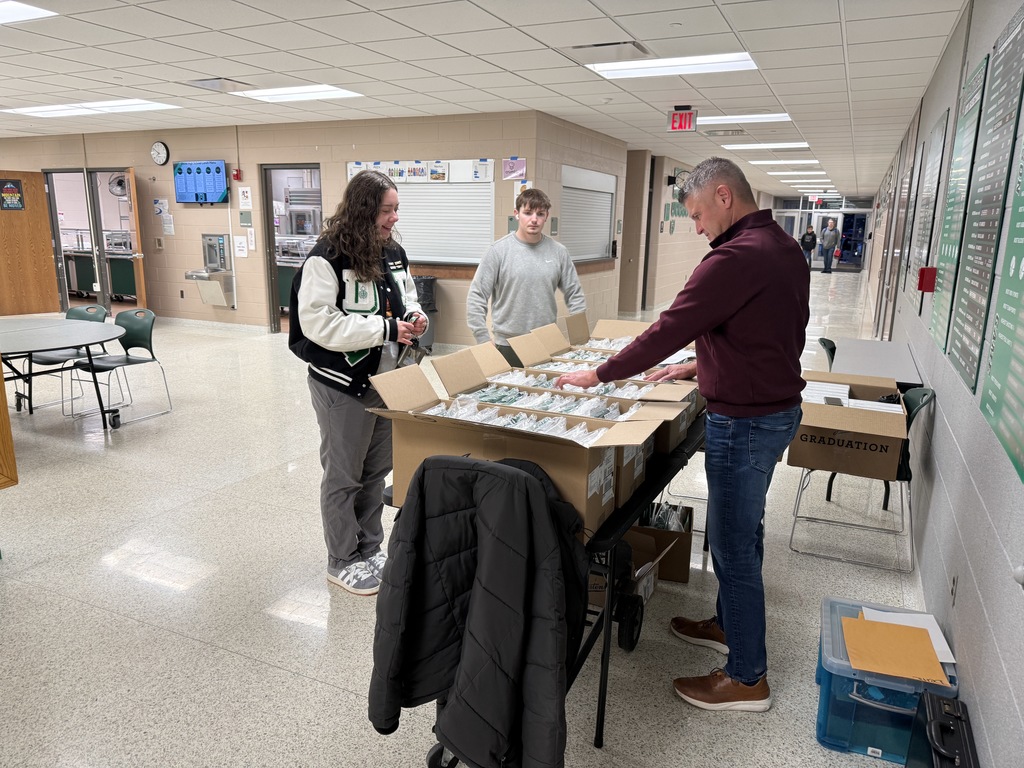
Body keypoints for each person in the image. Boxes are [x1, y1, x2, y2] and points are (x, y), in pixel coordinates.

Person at [554, 157, 809, 712]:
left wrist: (598, 374)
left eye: (696, 215)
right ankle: (729, 624)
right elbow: (768, 332)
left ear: (724, 196)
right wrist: (697, 366)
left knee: (732, 547)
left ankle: (747, 678)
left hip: (744, 423)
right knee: (743, 533)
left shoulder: (733, 258)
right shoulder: (783, 246)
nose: (696, 228)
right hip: (774, 411)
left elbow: (668, 328)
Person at [288, 170, 428, 596]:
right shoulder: (327, 257)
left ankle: (369, 549)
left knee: (374, 473)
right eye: (386, 210)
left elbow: (406, 297)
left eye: (396, 209)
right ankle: (342, 559)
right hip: (342, 385)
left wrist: (415, 317)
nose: (394, 218)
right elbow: (318, 324)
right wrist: (385, 329)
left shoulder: (393, 251)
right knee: (343, 476)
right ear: (364, 210)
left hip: (388, 383)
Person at [466, 188, 586, 367]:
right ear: (517, 214)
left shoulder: (559, 252)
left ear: (546, 216)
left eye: (540, 214)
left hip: (546, 342)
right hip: (507, 345)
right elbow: (477, 296)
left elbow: (574, 294)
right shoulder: (497, 251)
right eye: (528, 213)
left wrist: (579, 337)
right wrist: (482, 339)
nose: (534, 219)